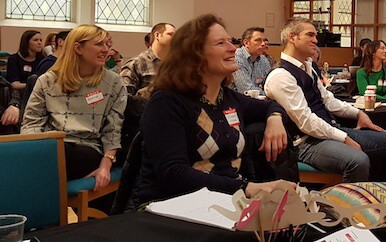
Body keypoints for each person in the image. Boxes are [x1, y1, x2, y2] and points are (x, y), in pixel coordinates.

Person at [133, 14, 295, 206]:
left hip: (227, 201)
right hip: (175, 206)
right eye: (220, 43)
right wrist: (248, 188)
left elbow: (272, 105)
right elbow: (173, 174)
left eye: (230, 41)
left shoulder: (227, 98)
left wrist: (275, 119)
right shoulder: (167, 103)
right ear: (194, 54)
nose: (233, 48)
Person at [265, 17, 386, 182]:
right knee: (358, 160)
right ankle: (348, 204)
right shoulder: (281, 76)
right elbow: (306, 122)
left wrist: (358, 114)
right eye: (310, 35)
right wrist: (344, 138)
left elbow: (328, 100)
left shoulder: (308, 67)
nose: (316, 40)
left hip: (329, 130)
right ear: (292, 37)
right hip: (305, 142)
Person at [21, 25, 126, 189]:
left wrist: (106, 165)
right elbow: (31, 123)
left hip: (87, 148)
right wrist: (33, 151)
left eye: (107, 44)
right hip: (50, 147)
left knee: (56, 156)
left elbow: (113, 129)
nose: (106, 50)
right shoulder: (48, 80)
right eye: (99, 44)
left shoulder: (113, 82)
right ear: (78, 48)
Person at [121, 23, 175, 98]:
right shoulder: (137, 62)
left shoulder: (175, 63)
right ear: (157, 35)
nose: (175, 38)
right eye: (170, 34)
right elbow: (123, 95)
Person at [231, 27, 273, 95]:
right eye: (258, 40)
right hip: (238, 102)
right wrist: (269, 94)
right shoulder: (237, 57)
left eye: (263, 40)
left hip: (259, 101)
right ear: (246, 43)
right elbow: (246, 90)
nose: (263, 44)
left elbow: (271, 84)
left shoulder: (263, 59)